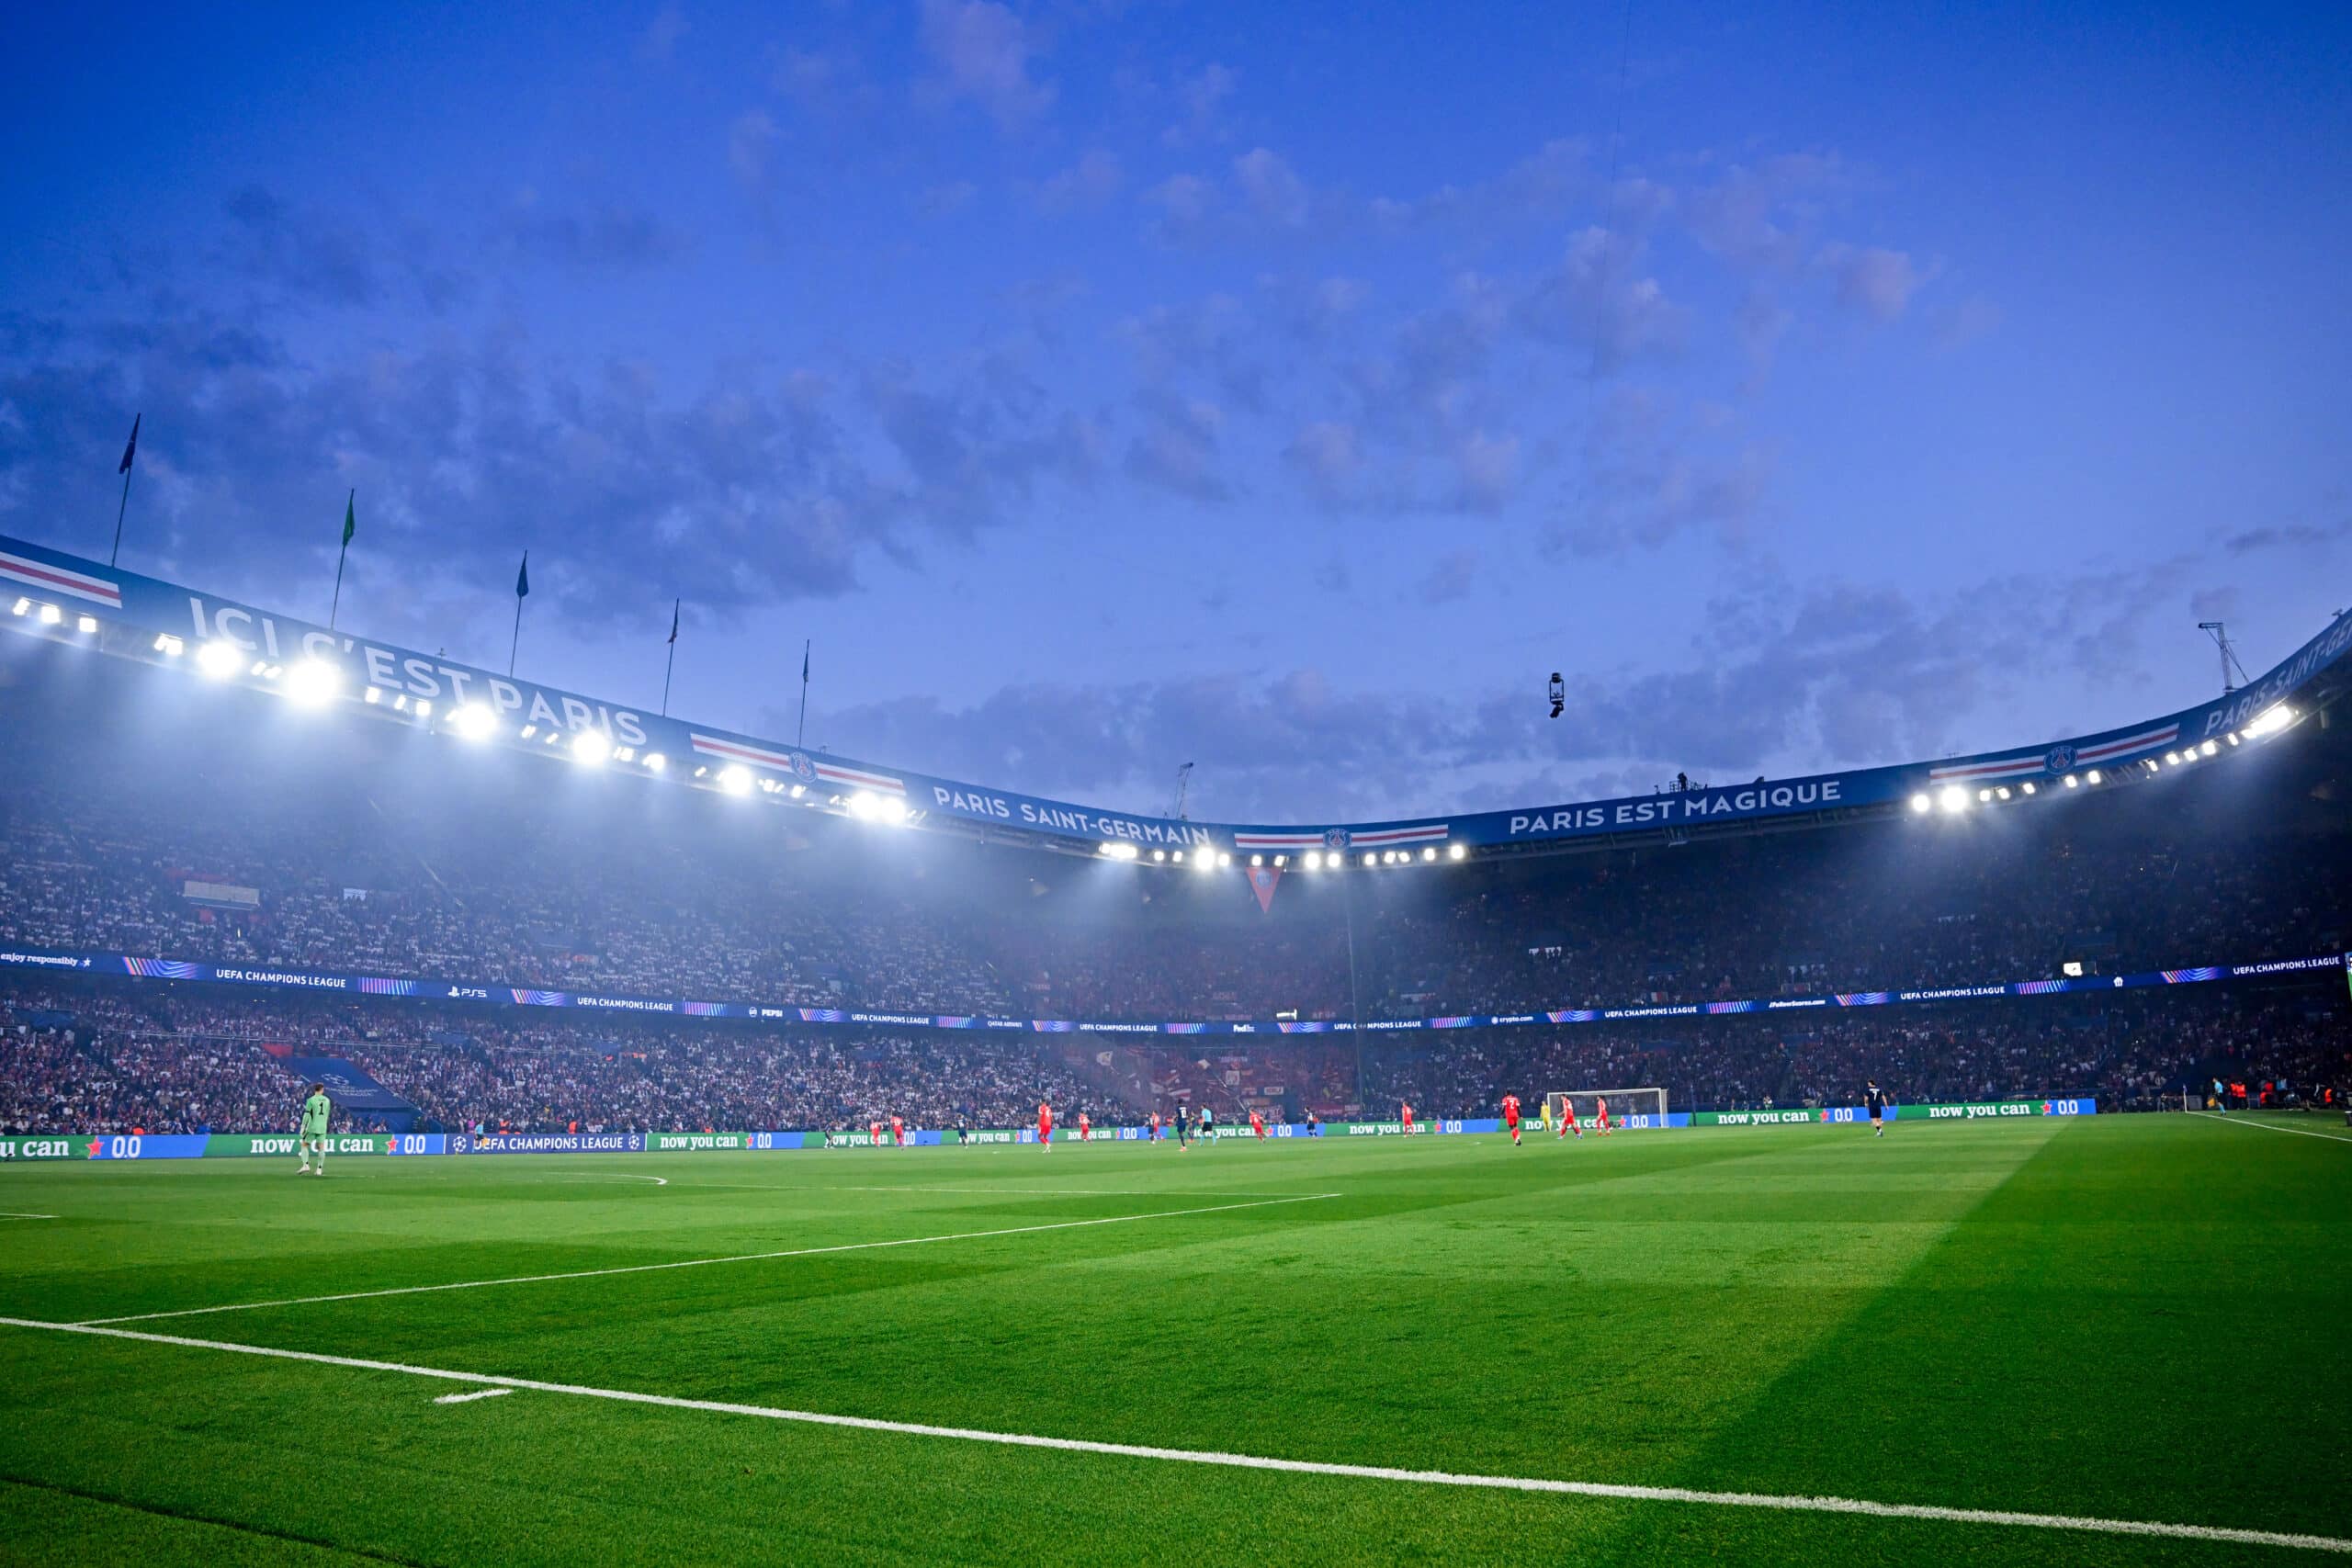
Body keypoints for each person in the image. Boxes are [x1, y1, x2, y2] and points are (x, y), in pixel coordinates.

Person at [298, 1082, 332, 1176]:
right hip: (323, 1127)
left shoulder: (311, 1100)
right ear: (322, 1089)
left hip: (312, 1126)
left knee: (304, 1144)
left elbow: (307, 1114)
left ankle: (306, 1165)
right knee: (321, 1148)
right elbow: (327, 1113)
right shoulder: (327, 1100)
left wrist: (303, 1126)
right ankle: (319, 1169)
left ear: (315, 1090)